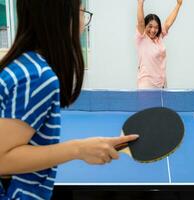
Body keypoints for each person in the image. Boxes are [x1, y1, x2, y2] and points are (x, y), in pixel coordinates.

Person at [0, 0, 138, 199]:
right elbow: (2, 160)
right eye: (82, 12)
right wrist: (78, 149)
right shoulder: (38, 77)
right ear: (62, 18)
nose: (84, 22)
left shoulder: (23, 66)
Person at [136, 0, 183, 89]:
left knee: (162, 104)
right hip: (147, 86)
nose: (153, 30)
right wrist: (140, 3)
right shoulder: (142, 38)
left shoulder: (159, 38)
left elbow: (168, 23)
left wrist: (178, 5)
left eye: (156, 27)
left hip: (162, 84)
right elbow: (141, 22)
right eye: (150, 26)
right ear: (145, 26)